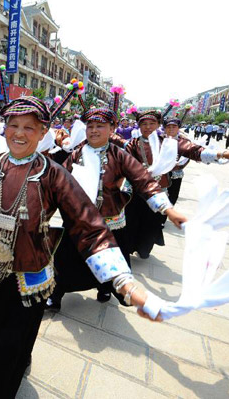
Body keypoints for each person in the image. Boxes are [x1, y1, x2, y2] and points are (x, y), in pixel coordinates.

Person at [0, 97, 161, 397]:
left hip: (30, 276)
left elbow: (89, 225)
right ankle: (14, 363)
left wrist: (123, 281)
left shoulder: (54, 174)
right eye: (13, 126)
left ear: (43, 132)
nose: (19, 134)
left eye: (29, 128)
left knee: (10, 343)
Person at [49, 108, 186, 310]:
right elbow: (58, 184)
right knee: (66, 260)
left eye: (100, 126)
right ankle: (56, 296)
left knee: (110, 259)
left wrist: (167, 208)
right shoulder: (77, 153)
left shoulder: (119, 155)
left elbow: (143, 180)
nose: (94, 131)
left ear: (112, 128)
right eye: (90, 126)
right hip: (79, 220)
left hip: (110, 221)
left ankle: (105, 288)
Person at [124, 111, 229, 259]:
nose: (148, 127)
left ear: (158, 125)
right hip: (137, 190)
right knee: (132, 220)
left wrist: (221, 154)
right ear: (139, 126)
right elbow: (125, 164)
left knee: (151, 222)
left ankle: (144, 248)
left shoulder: (169, 142)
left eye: (152, 124)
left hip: (159, 189)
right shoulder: (133, 144)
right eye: (144, 124)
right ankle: (128, 247)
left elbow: (193, 150)